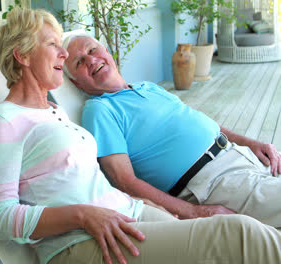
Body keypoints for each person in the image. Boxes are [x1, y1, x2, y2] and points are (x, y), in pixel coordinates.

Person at [0, 7, 281, 264]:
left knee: (244, 238)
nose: (64, 52)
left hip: (127, 213)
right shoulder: (3, 121)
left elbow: (84, 182)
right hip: (81, 240)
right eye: (52, 45)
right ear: (23, 56)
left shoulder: (55, 114)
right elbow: (1, 218)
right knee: (240, 234)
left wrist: (147, 205)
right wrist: (83, 216)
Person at [62, 32, 281, 226]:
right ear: (77, 84)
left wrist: (252, 144)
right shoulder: (100, 110)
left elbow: (201, 122)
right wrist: (194, 212)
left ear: (107, 52)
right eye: (79, 62)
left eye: (92, 49)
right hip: (215, 183)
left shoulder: (147, 87)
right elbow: (124, 181)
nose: (91, 59)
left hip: (242, 156)